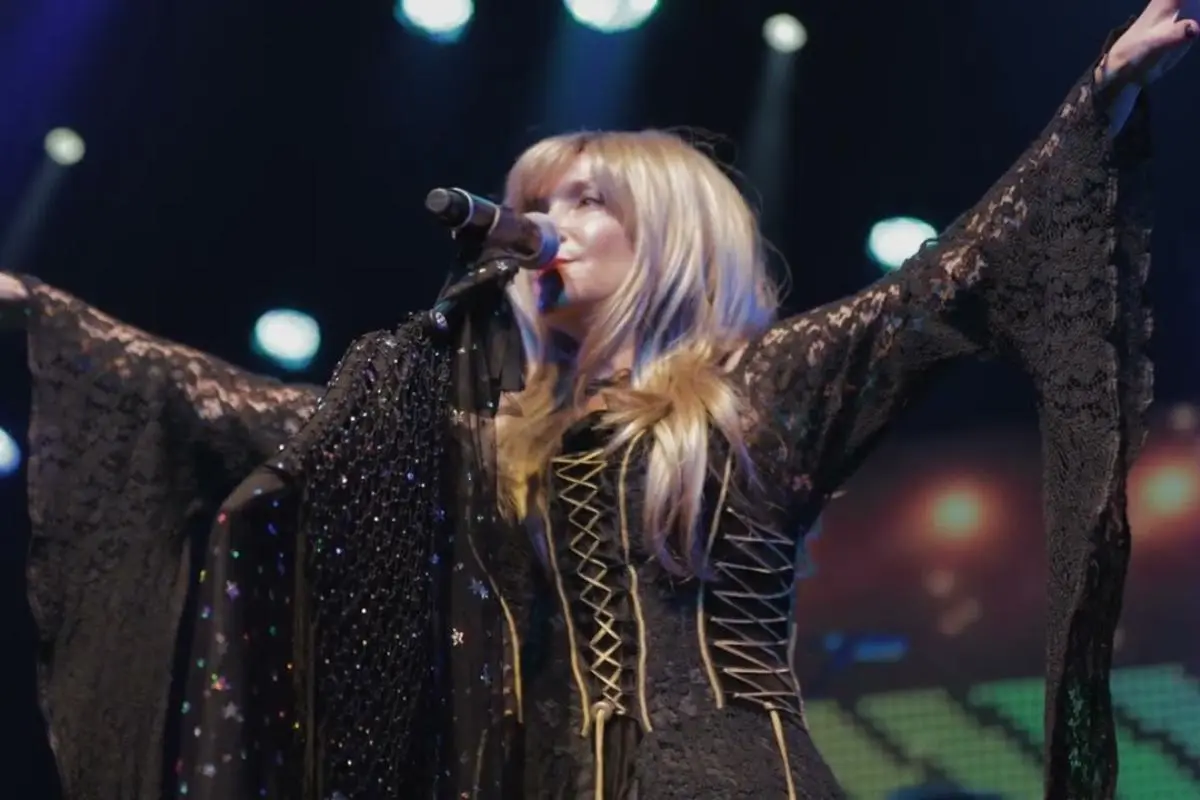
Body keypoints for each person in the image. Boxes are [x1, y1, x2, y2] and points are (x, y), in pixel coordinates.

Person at [0, 3, 1193, 798]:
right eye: (539, 203)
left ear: (666, 235)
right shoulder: (489, 443)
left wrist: (1098, 94)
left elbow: (949, 278)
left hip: (728, 774)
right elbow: (250, 412)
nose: (547, 229)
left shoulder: (756, 391)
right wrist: (34, 311)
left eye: (582, 203)